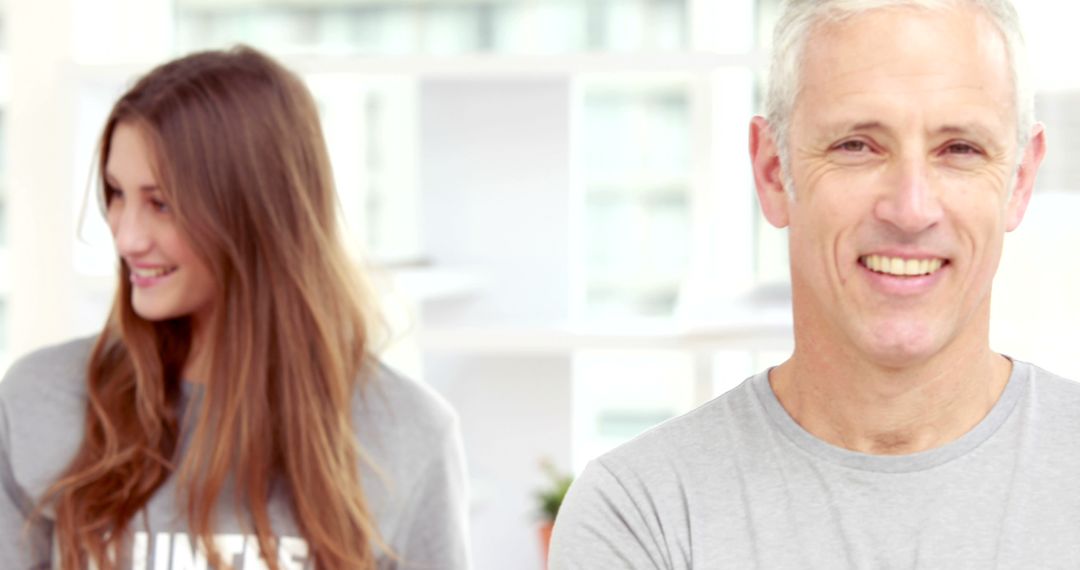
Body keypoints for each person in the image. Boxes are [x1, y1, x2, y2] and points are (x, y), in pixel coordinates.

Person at [549, 0, 1080, 567]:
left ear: (1020, 181)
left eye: (960, 149)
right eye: (857, 145)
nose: (911, 208)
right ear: (774, 171)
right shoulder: (643, 513)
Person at [0, 47, 469, 569]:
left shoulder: (407, 434)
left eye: (161, 203)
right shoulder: (39, 400)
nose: (126, 236)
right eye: (115, 193)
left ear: (254, 212)